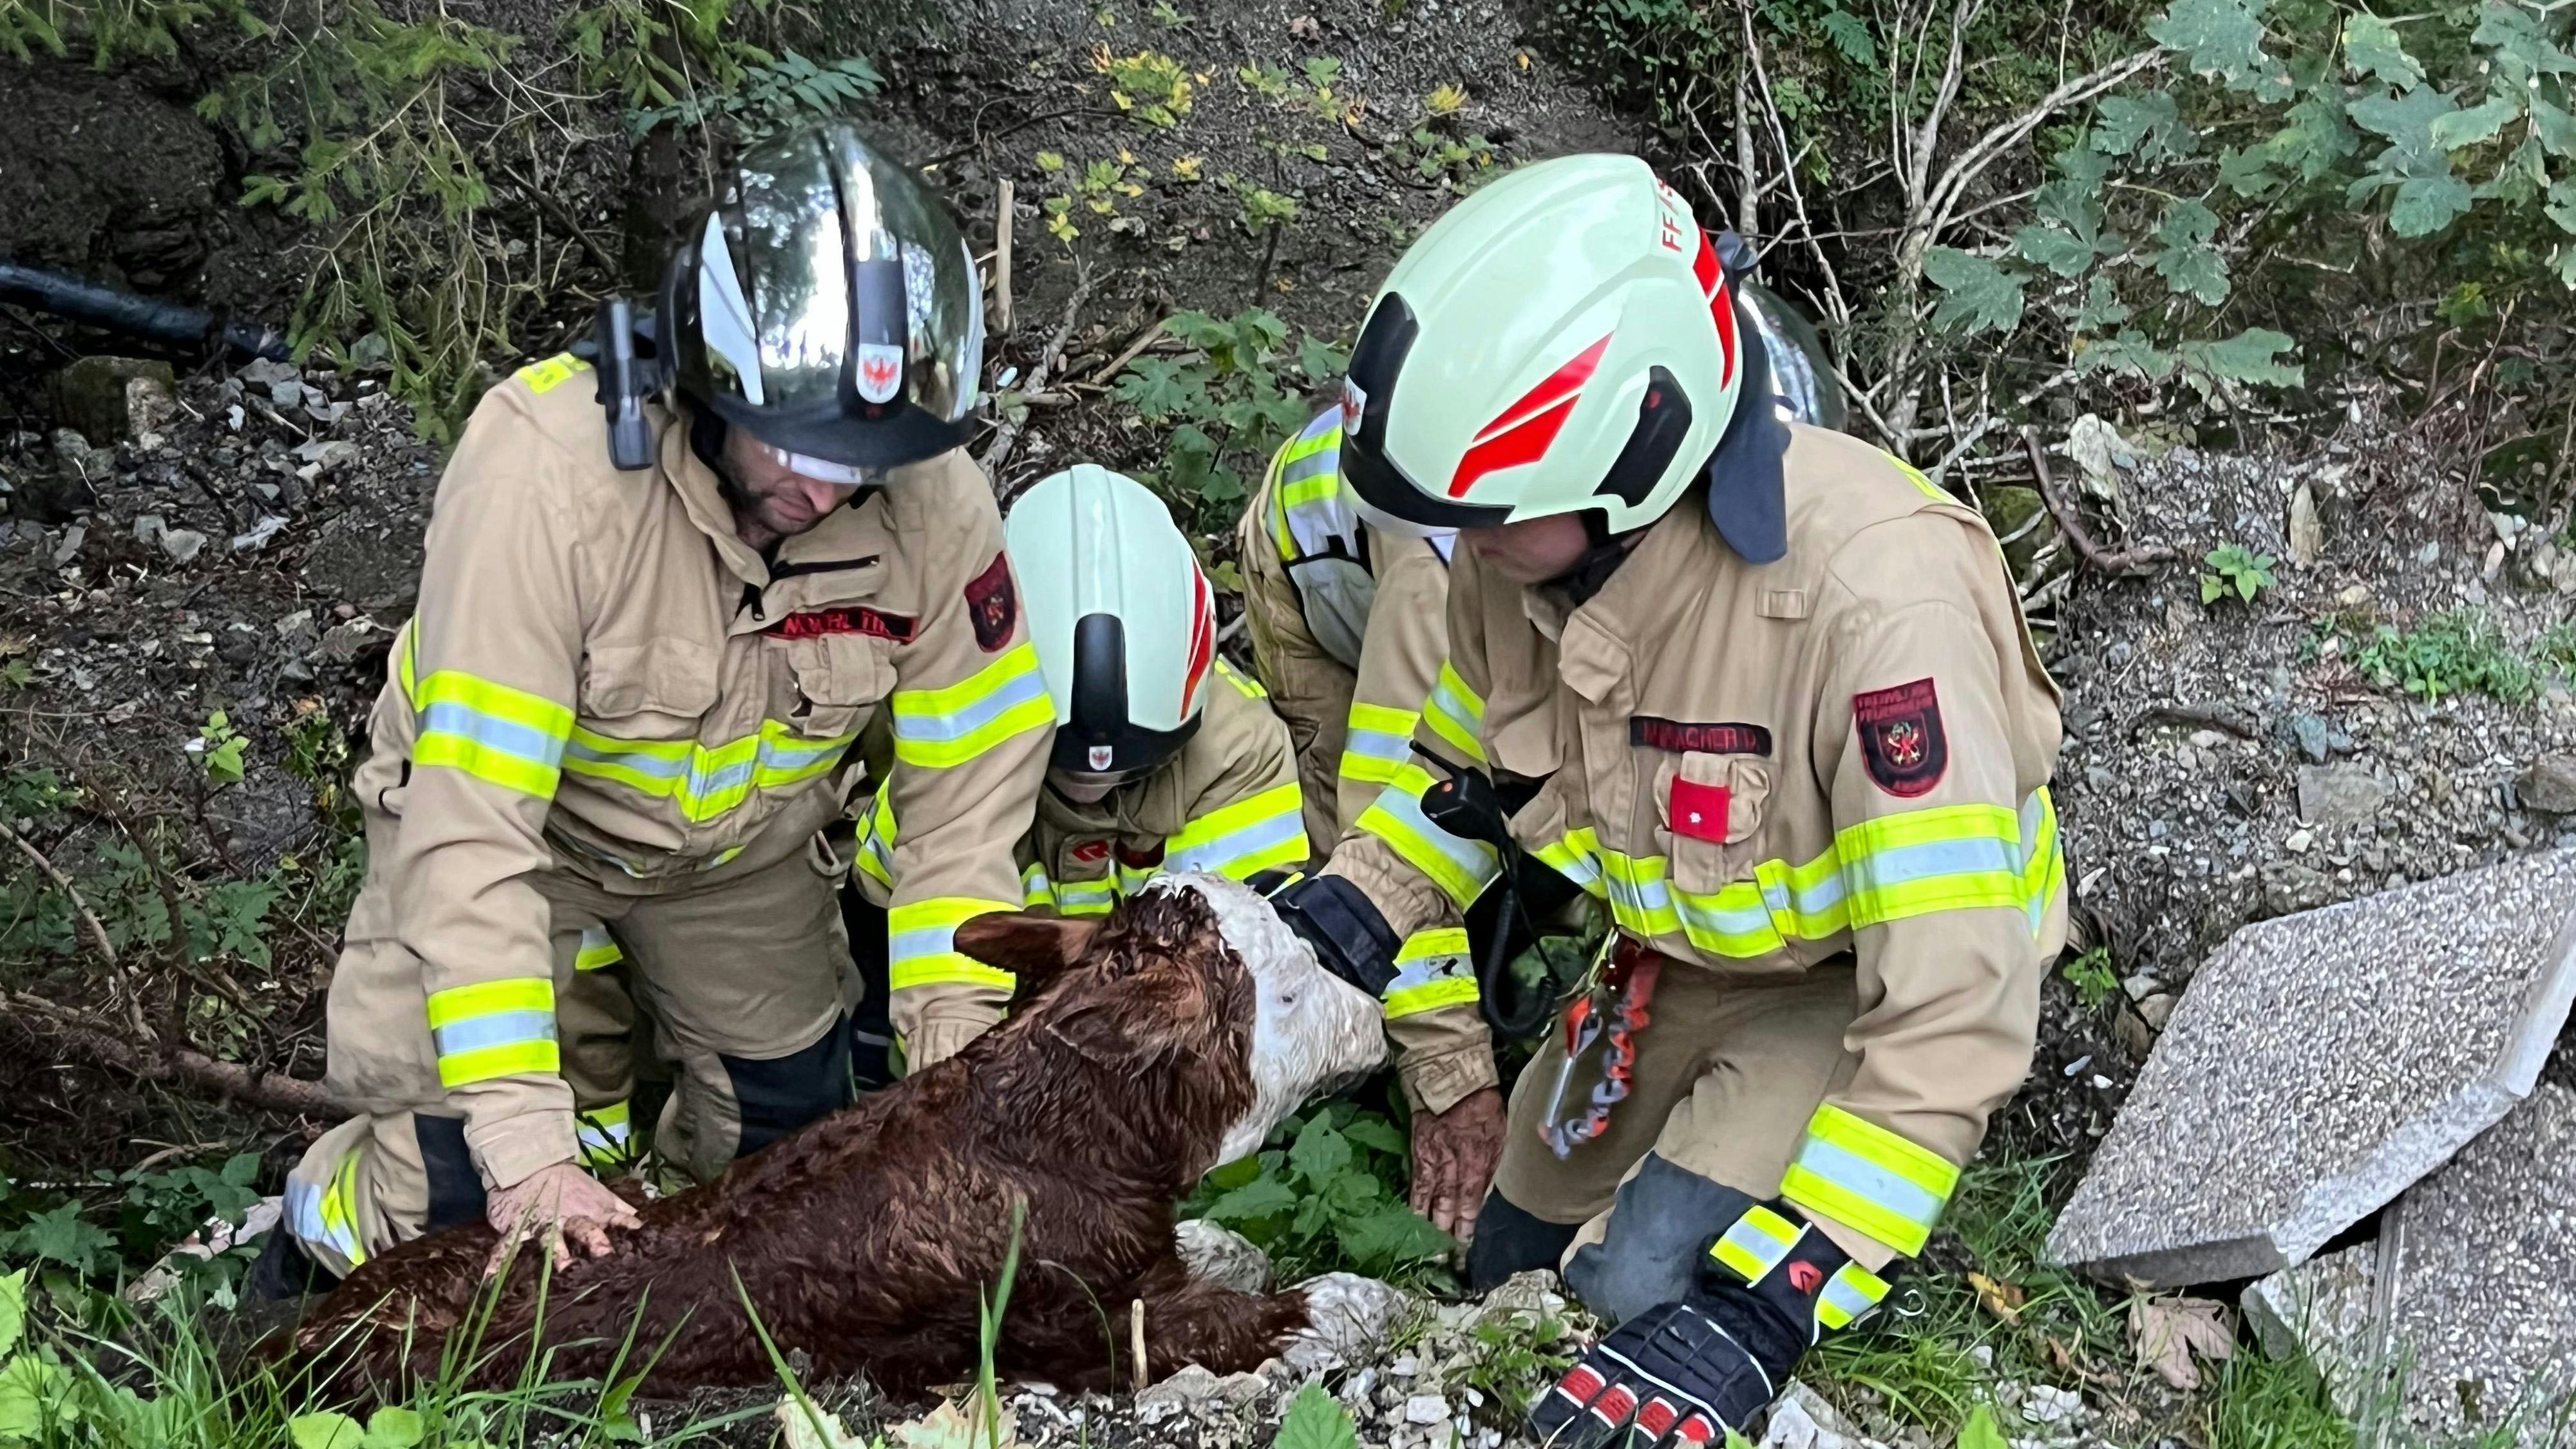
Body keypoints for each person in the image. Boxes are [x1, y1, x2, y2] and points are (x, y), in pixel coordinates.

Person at [1265, 153, 2066, 1444]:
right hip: (1681, 954)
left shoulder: (1873, 611)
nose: (1459, 548)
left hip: (1854, 979)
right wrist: (1345, 916)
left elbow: (1952, 1007)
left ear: (1624, 464)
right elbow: (1466, 770)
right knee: (1509, 1257)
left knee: (1644, 1300)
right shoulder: (1525, 550)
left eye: (1484, 515)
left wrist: (1777, 1300)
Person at [258, 123, 1052, 1291]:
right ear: (704, 380)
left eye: (860, 458)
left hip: (744, 851)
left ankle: (641, 1288)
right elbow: (472, 832)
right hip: (526, 841)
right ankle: (319, 1233)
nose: (823, 487)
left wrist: (956, 1088)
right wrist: (527, 1151)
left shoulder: (935, 508)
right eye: (793, 445)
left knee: (792, 1143)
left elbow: (965, 812)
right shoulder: (547, 479)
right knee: (455, 1190)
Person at [841, 464, 1311, 1077]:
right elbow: (878, 923)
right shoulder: (957, 740)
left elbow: (1250, 975)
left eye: (1132, 768)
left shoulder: (1239, 757)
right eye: (1058, 761)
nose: (1091, 784)